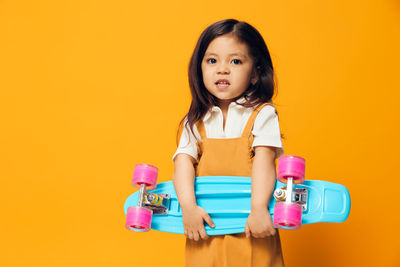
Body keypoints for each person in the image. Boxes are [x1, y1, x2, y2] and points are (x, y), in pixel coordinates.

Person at [172, 19, 285, 267]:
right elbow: (183, 164)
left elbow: (264, 161)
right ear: (199, 69)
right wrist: (188, 209)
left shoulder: (262, 114)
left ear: (255, 73)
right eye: (212, 60)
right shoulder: (195, 122)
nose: (222, 69)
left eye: (235, 61)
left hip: (251, 225)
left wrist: (258, 210)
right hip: (206, 226)